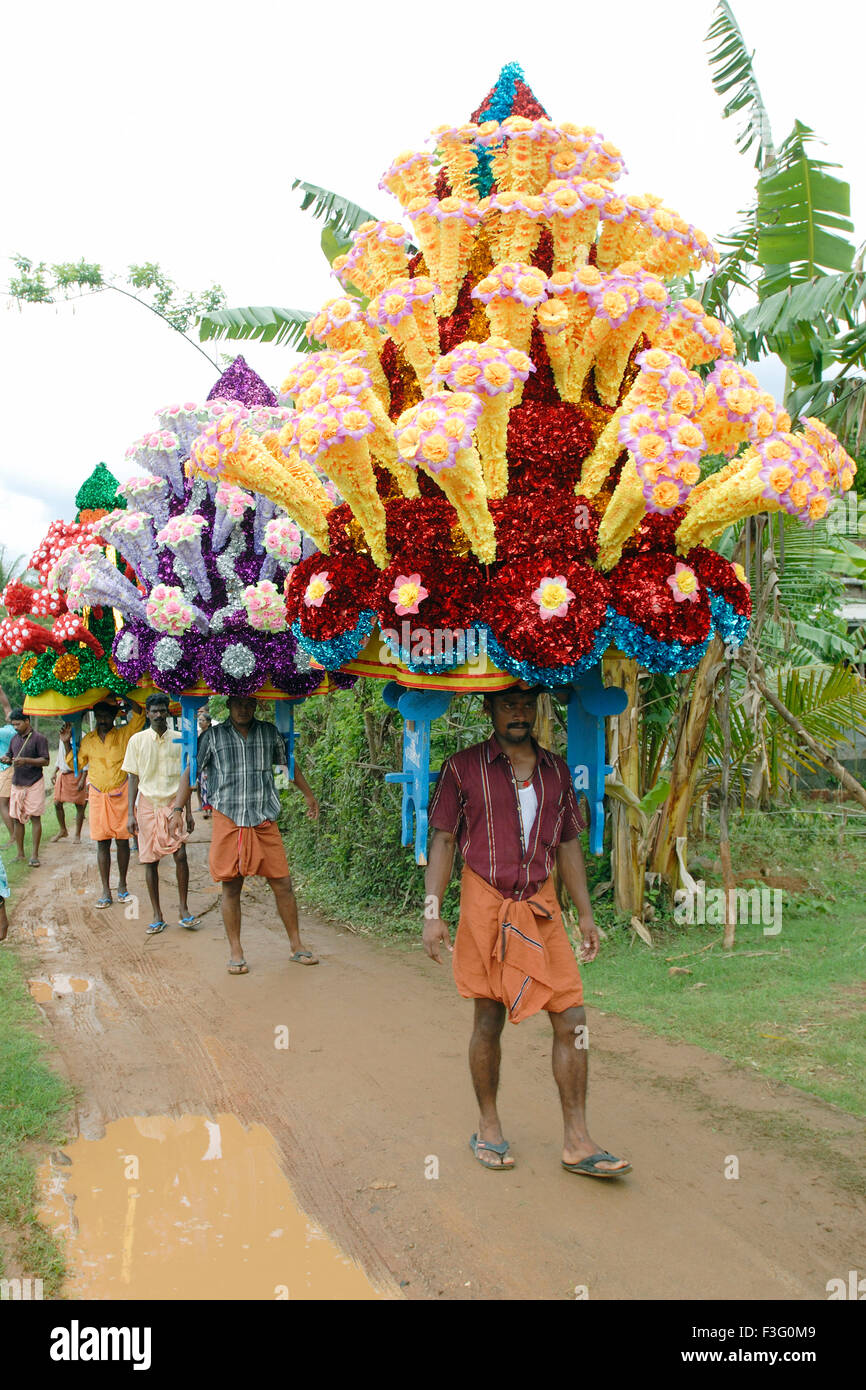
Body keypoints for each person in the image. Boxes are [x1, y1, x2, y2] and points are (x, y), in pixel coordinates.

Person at [423, 682, 631, 1179]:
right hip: (484, 906)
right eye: (507, 704)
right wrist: (432, 912)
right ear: (488, 708)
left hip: (540, 906)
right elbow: (445, 839)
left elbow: (568, 846)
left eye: (525, 704)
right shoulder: (462, 767)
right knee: (488, 1021)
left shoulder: (556, 771)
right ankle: (489, 1126)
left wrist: (585, 913)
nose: (518, 712)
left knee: (572, 1018)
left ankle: (578, 1141)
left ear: (536, 709)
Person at [175, 695, 319, 974]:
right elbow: (192, 771)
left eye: (249, 704)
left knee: (283, 884)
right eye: (238, 704)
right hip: (228, 819)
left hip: (264, 818)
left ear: (257, 706)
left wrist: (306, 795)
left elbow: (283, 768)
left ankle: (296, 945)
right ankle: (236, 951)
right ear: (228, 706)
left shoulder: (269, 733)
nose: (244, 709)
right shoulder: (213, 737)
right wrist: (177, 809)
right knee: (231, 887)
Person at [63, 698, 145, 907]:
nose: (102, 720)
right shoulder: (89, 740)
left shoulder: (124, 734)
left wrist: (124, 693)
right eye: (99, 716)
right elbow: (75, 763)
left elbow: (139, 715)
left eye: (106, 716)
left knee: (122, 841)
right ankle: (105, 890)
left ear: (114, 716)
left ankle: (123, 886)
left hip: (120, 793)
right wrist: (66, 742)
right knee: (102, 842)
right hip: (98, 796)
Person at [123, 692, 194, 934]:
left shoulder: (181, 739)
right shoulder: (137, 740)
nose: (158, 714)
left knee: (181, 854)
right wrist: (130, 813)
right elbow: (132, 777)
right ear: (148, 712)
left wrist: (189, 812)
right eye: (154, 710)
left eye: (162, 710)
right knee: (149, 860)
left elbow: (188, 778)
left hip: (173, 803)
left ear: (168, 711)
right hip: (146, 805)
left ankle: (184, 910)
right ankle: (157, 914)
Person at [1, 708, 50, 866]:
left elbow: (45, 760)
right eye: (13, 724)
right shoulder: (14, 739)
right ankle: (20, 854)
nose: (15, 727)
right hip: (17, 782)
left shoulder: (39, 738)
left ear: (27, 721)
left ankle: (34, 855)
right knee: (16, 819)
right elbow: (10, 755)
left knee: (35, 818)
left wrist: (26, 760)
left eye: (18, 724)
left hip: (34, 781)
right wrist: (6, 759)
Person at [51, 723, 87, 842]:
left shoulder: (83, 737)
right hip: (63, 773)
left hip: (77, 774)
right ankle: (63, 830)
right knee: (57, 803)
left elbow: (87, 759)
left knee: (79, 805)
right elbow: (60, 756)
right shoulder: (63, 736)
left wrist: (83, 778)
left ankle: (77, 834)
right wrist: (54, 771)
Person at [0, 715, 16, 848]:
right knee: (8, 803)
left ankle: (13, 837)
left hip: (6, 770)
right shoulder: (11, 729)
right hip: (8, 770)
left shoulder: (5, 732)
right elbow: (6, 705)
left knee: (3, 803)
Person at [195, 709, 213, 819]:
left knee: (207, 786)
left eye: (202, 720)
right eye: (199, 720)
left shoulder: (210, 734)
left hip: (208, 765)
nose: (200, 722)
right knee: (201, 786)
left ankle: (209, 810)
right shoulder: (198, 734)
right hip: (201, 765)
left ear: (208, 722)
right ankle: (204, 807)